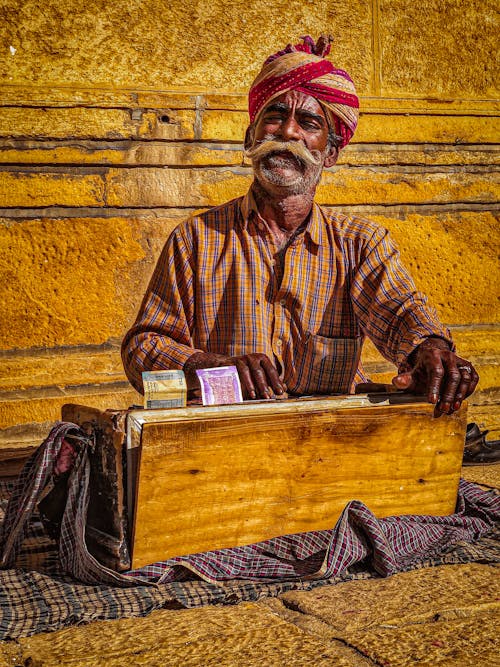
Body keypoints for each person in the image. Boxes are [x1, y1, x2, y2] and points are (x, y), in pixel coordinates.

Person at [122, 35, 479, 416]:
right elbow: (143, 348)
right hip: (222, 442)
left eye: (308, 123)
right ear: (250, 138)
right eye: (274, 117)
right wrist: (204, 364)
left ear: (330, 153)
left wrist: (431, 351)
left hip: (328, 444)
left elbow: (400, 311)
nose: (288, 132)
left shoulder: (360, 243)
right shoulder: (195, 239)